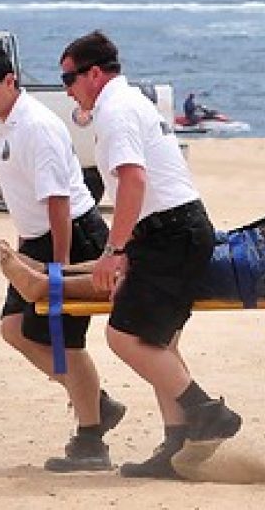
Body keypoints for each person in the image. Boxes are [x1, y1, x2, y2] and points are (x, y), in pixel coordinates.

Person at [60, 29, 241, 480]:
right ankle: (178, 444)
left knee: (123, 336)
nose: (66, 89)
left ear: (94, 73)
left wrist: (114, 250)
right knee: (158, 342)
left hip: (169, 231)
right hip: (177, 228)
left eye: (68, 78)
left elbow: (134, 182)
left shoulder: (115, 110)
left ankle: (206, 412)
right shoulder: (132, 101)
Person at [0, 47, 124, 473]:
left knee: (63, 340)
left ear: (10, 81)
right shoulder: (5, 125)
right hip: (37, 241)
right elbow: (26, 198)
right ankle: (95, 402)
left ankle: (91, 441)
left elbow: (57, 200)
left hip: (72, 236)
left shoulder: (35, 125)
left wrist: (60, 266)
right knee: (14, 328)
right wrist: (22, 252)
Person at [0, 203, 265, 306]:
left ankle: (46, 287)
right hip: (257, 248)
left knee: (156, 273)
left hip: (262, 273)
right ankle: (60, 272)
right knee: (155, 248)